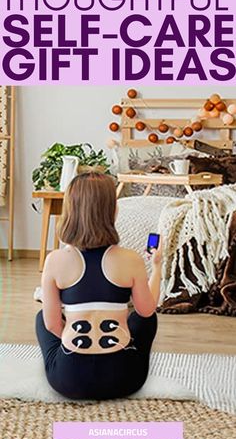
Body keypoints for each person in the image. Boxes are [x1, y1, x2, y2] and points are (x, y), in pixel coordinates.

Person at [36, 171, 161, 400]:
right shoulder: (130, 259)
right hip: (124, 380)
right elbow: (146, 310)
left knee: (42, 318)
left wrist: (71, 333)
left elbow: (52, 325)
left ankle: (69, 357)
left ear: (70, 211)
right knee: (145, 319)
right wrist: (158, 266)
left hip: (69, 381)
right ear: (112, 211)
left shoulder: (55, 260)